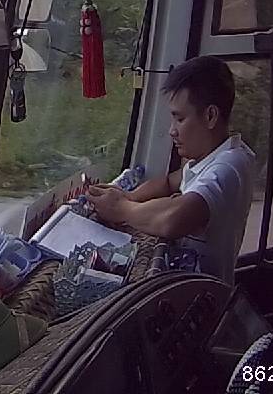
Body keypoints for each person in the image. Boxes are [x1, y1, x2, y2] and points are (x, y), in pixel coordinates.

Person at [87, 55, 256, 284]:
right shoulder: (207, 158)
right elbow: (168, 183)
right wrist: (128, 196)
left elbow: (173, 219)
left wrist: (121, 209)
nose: (171, 131)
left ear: (210, 116)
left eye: (180, 119)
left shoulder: (229, 166)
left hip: (201, 297)